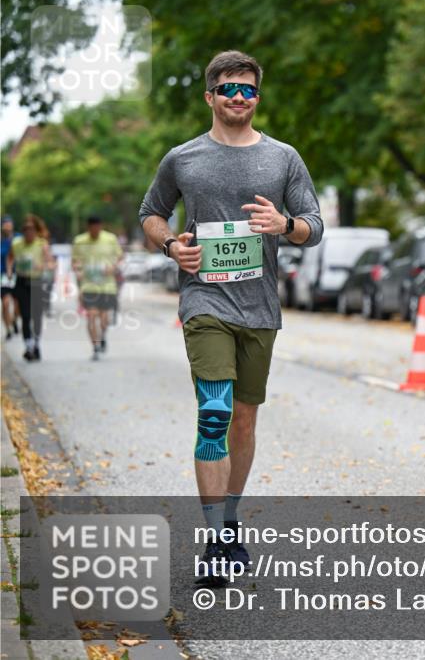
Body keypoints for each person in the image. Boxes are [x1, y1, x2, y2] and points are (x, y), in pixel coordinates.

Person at [138, 51, 323, 586]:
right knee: (215, 411)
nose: (238, 98)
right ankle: (215, 534)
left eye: (248, 90)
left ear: (257, 98)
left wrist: (284, 223)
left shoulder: (283, 158)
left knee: (244, 418)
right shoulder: (183, 158)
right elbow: (151, 212)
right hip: (204, 303)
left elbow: (314, 223)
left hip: (260, 307)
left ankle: (230, 520)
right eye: (228, 90)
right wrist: (173, 246)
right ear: (210, 97)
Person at [72, 216, 123, 360]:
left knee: (104, 319)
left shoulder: (110, 239)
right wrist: (78, 271)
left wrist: (112, 268)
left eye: (97, 227)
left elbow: (120, 257)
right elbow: (74, 262)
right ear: (88, 227)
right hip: (88, 285)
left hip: (107, 286)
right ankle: (95, 347)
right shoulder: (79, 241)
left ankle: (102, 335)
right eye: (92, 228)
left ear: (101, 226)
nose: (95, 230)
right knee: (91, 316)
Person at [6, 215, 54, 361]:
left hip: (36, 281)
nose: (29, 234)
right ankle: (28, 345)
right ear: (23, 232)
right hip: (21, 280)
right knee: (25, 315)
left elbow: (51, 264)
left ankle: (36, 343)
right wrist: (9, 271)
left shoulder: (42, 244)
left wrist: (42, 266)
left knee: (36, 315)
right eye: (26, 232)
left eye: (32, 231)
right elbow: (10, 257)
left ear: (35, 232)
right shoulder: (17, 243)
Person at [1, 216, 19, 340]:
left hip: (18, 274)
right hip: (3, 276)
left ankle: (14, 320)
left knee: (18, 304)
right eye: (5, 224)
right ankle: (8, 329)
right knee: (6, 303)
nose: (7, 227)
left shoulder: (19, 239)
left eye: (9, 224)